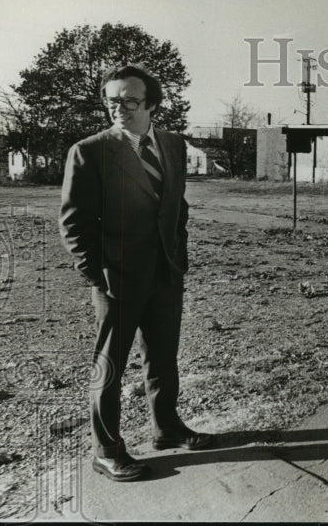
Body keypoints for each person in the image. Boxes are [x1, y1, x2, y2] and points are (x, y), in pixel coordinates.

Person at [59, 64, 214, 482]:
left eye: (130, 101)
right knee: (109, 365)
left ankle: (167, 429)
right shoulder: (89, 151)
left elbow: (176, 206)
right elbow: (73, 222)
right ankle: (106, 449)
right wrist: (96, 275)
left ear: (152, 104)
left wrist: (177, 254)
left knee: (163, 357)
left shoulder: (173, 145)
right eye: (113, 102)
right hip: (117, 279)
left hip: (166, 273)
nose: (120, 109)